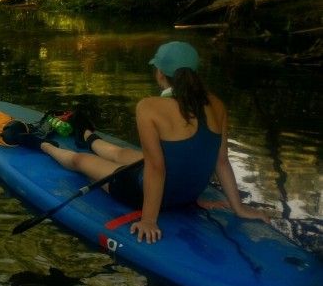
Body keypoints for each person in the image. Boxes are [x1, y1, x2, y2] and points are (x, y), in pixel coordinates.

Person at [35, 41, 270, 243]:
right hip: (189, 193)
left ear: (159, 72)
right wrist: (238, 207)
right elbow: (221, 161)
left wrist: (148, 219)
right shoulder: (217, 104)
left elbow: (156, 168)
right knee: (124, 154)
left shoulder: (149, 107)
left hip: (144, 194)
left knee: (81, 160)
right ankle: (88, 136)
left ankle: (42, 145)